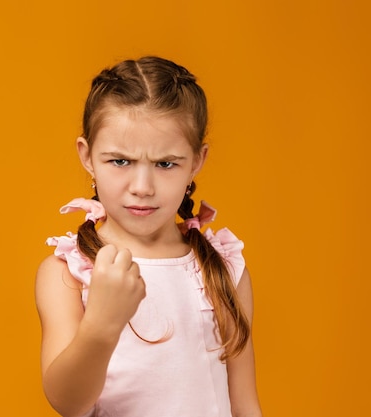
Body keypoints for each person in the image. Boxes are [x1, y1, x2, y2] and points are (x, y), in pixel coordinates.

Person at [35, 56, 262, 417]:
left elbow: (245, 404)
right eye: (120, 161)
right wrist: (101, 326)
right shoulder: (69, 272)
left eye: (165, 163)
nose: (142, 188)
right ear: (88, 156)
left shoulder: (221, 269)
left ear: (196, 162)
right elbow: (67, 403)